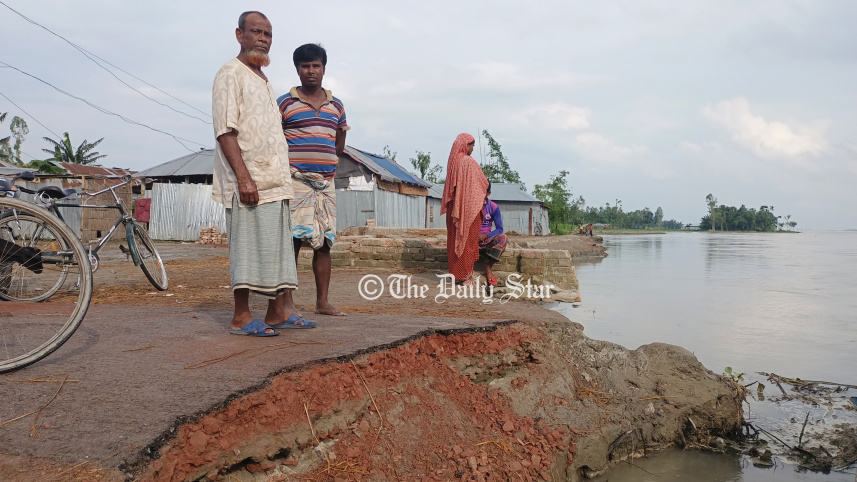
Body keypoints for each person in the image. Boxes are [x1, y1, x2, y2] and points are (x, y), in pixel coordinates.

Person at [212, 11, 312, 337]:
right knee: (247, 247)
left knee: (277, 249)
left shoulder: (264, 80)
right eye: (256, 32)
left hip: (275, 181)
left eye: (268, 34)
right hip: (250, 180)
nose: (263, 38)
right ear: (239, 34)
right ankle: (241, 316)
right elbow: (226, 131)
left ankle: (276, 312)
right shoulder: (231, 73)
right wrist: (243, 177)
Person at [277, 43, 348, 316]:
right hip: (295, 181)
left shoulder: (337, 106)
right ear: (297, 69)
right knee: (293, 241)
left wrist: (324, 160)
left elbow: (339, 142)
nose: (310, 71)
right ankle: (286, 303)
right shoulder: (285, 103)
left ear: (324, 69)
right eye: (305, 66)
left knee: (325, 243)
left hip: (325, 183)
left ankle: (323, 302)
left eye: (315, 66)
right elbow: (275, 140)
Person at [440, 133, 489, 286]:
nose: (473, 149)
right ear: (466, 145)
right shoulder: (468, 162)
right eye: (472, 145)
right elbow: (482, 183)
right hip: (468, 211)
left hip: (454, 210)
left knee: (454, 241)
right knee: (467, 241)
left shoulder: (453, 163)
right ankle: (466, 278)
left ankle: (455, 275)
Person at [478, 183, 507, 286]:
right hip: (472, 241)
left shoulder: (493, 207)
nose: (479, 193)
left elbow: (500, 229)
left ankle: (488, 268)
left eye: (483, 191)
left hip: (486, 240)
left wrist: (486, 235)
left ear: (488, 193)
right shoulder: (471, 206)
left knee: (503, 238)